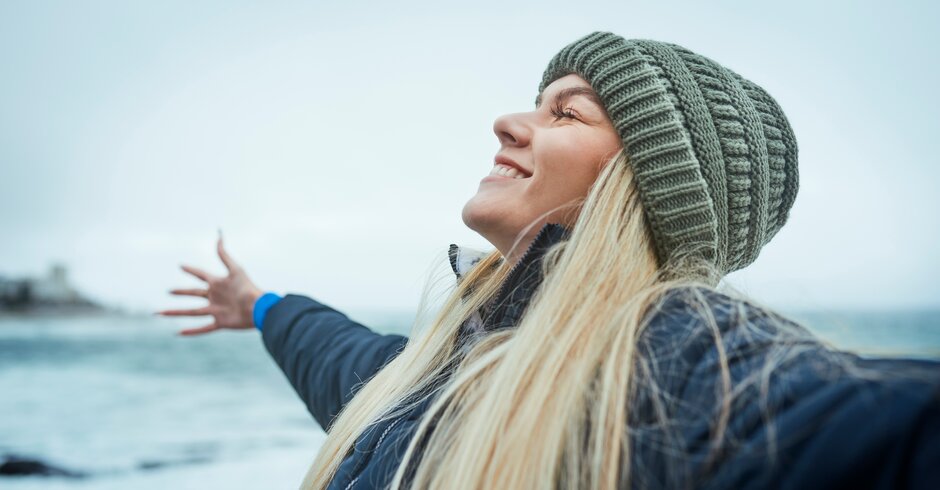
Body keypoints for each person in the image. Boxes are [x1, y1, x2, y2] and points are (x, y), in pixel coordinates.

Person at [159, 32, 940, 490]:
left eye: (566, 112)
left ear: (649, 185)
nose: (507, 122)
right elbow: (343, 359)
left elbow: (883, 429)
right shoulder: (443, 368)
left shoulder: (681, 359)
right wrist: (259, 305)